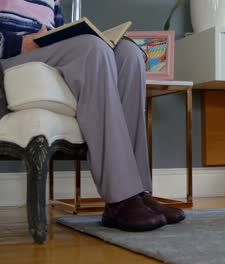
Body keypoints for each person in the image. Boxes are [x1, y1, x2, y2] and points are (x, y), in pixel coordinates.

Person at [0, 0, 185, 231]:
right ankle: (120, 199)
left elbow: (59, 32)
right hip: (11, 58)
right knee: (92, 48)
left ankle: (137, 192)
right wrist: (18, 43)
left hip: (44, 53)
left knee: (129, 53)